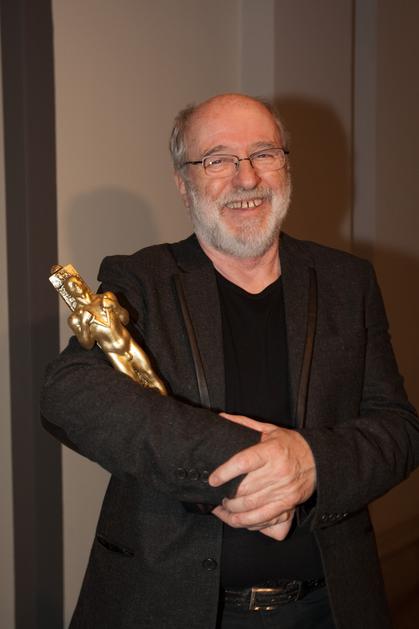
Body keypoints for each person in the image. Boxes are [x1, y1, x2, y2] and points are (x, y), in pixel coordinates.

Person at [41, 93, 419, 629]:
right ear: (184, 183)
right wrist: (240, 462)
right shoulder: (142, 281)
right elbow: (69, 393)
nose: (247, 178)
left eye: (264, 153)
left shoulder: (347, 282)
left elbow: (399, 428)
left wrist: (312, 463)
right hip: (166, 609)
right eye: (217, 159)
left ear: (285, 165)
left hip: (330, 607)